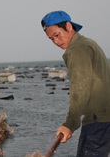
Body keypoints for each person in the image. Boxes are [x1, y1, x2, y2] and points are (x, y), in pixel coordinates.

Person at [41, 10, 110, 156]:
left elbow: (80, 89)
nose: (56, 42)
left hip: (98, 120)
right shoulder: (89, 43)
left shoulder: (76, 49)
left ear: (68, 26)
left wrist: (69, 124)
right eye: (51, 39)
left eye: (57, 35)